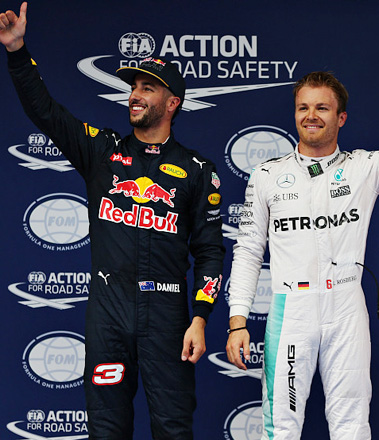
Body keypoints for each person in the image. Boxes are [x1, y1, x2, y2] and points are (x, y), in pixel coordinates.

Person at [1, 3, 226, 439]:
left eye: (148, 88)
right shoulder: (102, 152)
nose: (135, 95)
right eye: (133, 87)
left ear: (172, 103)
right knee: (106, 428)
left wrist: (200, 318)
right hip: (108, 312)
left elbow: (210, 251)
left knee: (173, 428)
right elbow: (46, 112)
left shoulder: (198, 170)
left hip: (168, 315)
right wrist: (16, 51)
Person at [225, 12, 379, 440]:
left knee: (352, 423)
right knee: (280, 426)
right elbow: (247, 251)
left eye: (322, 107)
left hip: (346, 305)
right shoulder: (266, 175)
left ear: (341, 118)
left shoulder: (363, 168)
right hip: (290, 309)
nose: (311, 115)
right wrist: (237, 321)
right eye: (303, 107)